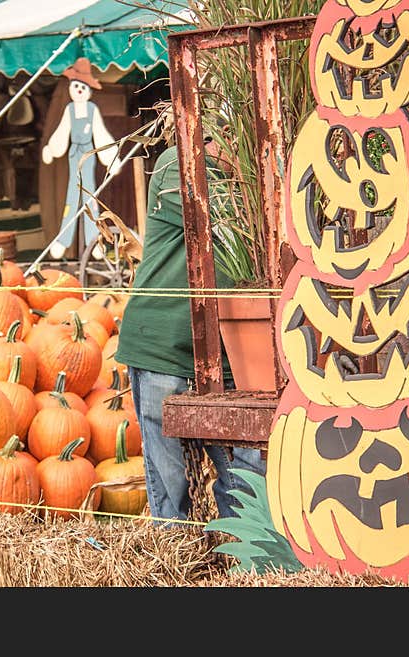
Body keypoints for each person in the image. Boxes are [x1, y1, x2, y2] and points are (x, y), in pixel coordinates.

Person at [115, 127, 266, 524]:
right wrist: (251, 166)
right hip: (162, 345)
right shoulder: (174, 165)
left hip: (230, 352)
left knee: (247, 478)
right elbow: (230, 212)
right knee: (171, 492)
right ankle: (177, 567)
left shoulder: (246, 175)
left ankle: (243, 565)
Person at [41, 57, 122, 260]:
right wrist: (52, 149)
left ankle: (94, 240)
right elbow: (62, 131)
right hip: (73, 156)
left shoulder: (92, 110)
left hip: (88, 155)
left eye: (82, 87)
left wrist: (111, 158)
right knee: (71, 197)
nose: (78, 90)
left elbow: (100, 133)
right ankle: (64, 240)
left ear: (88, 90)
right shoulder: (69, 110)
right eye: (75, 85)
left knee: (90, 199)